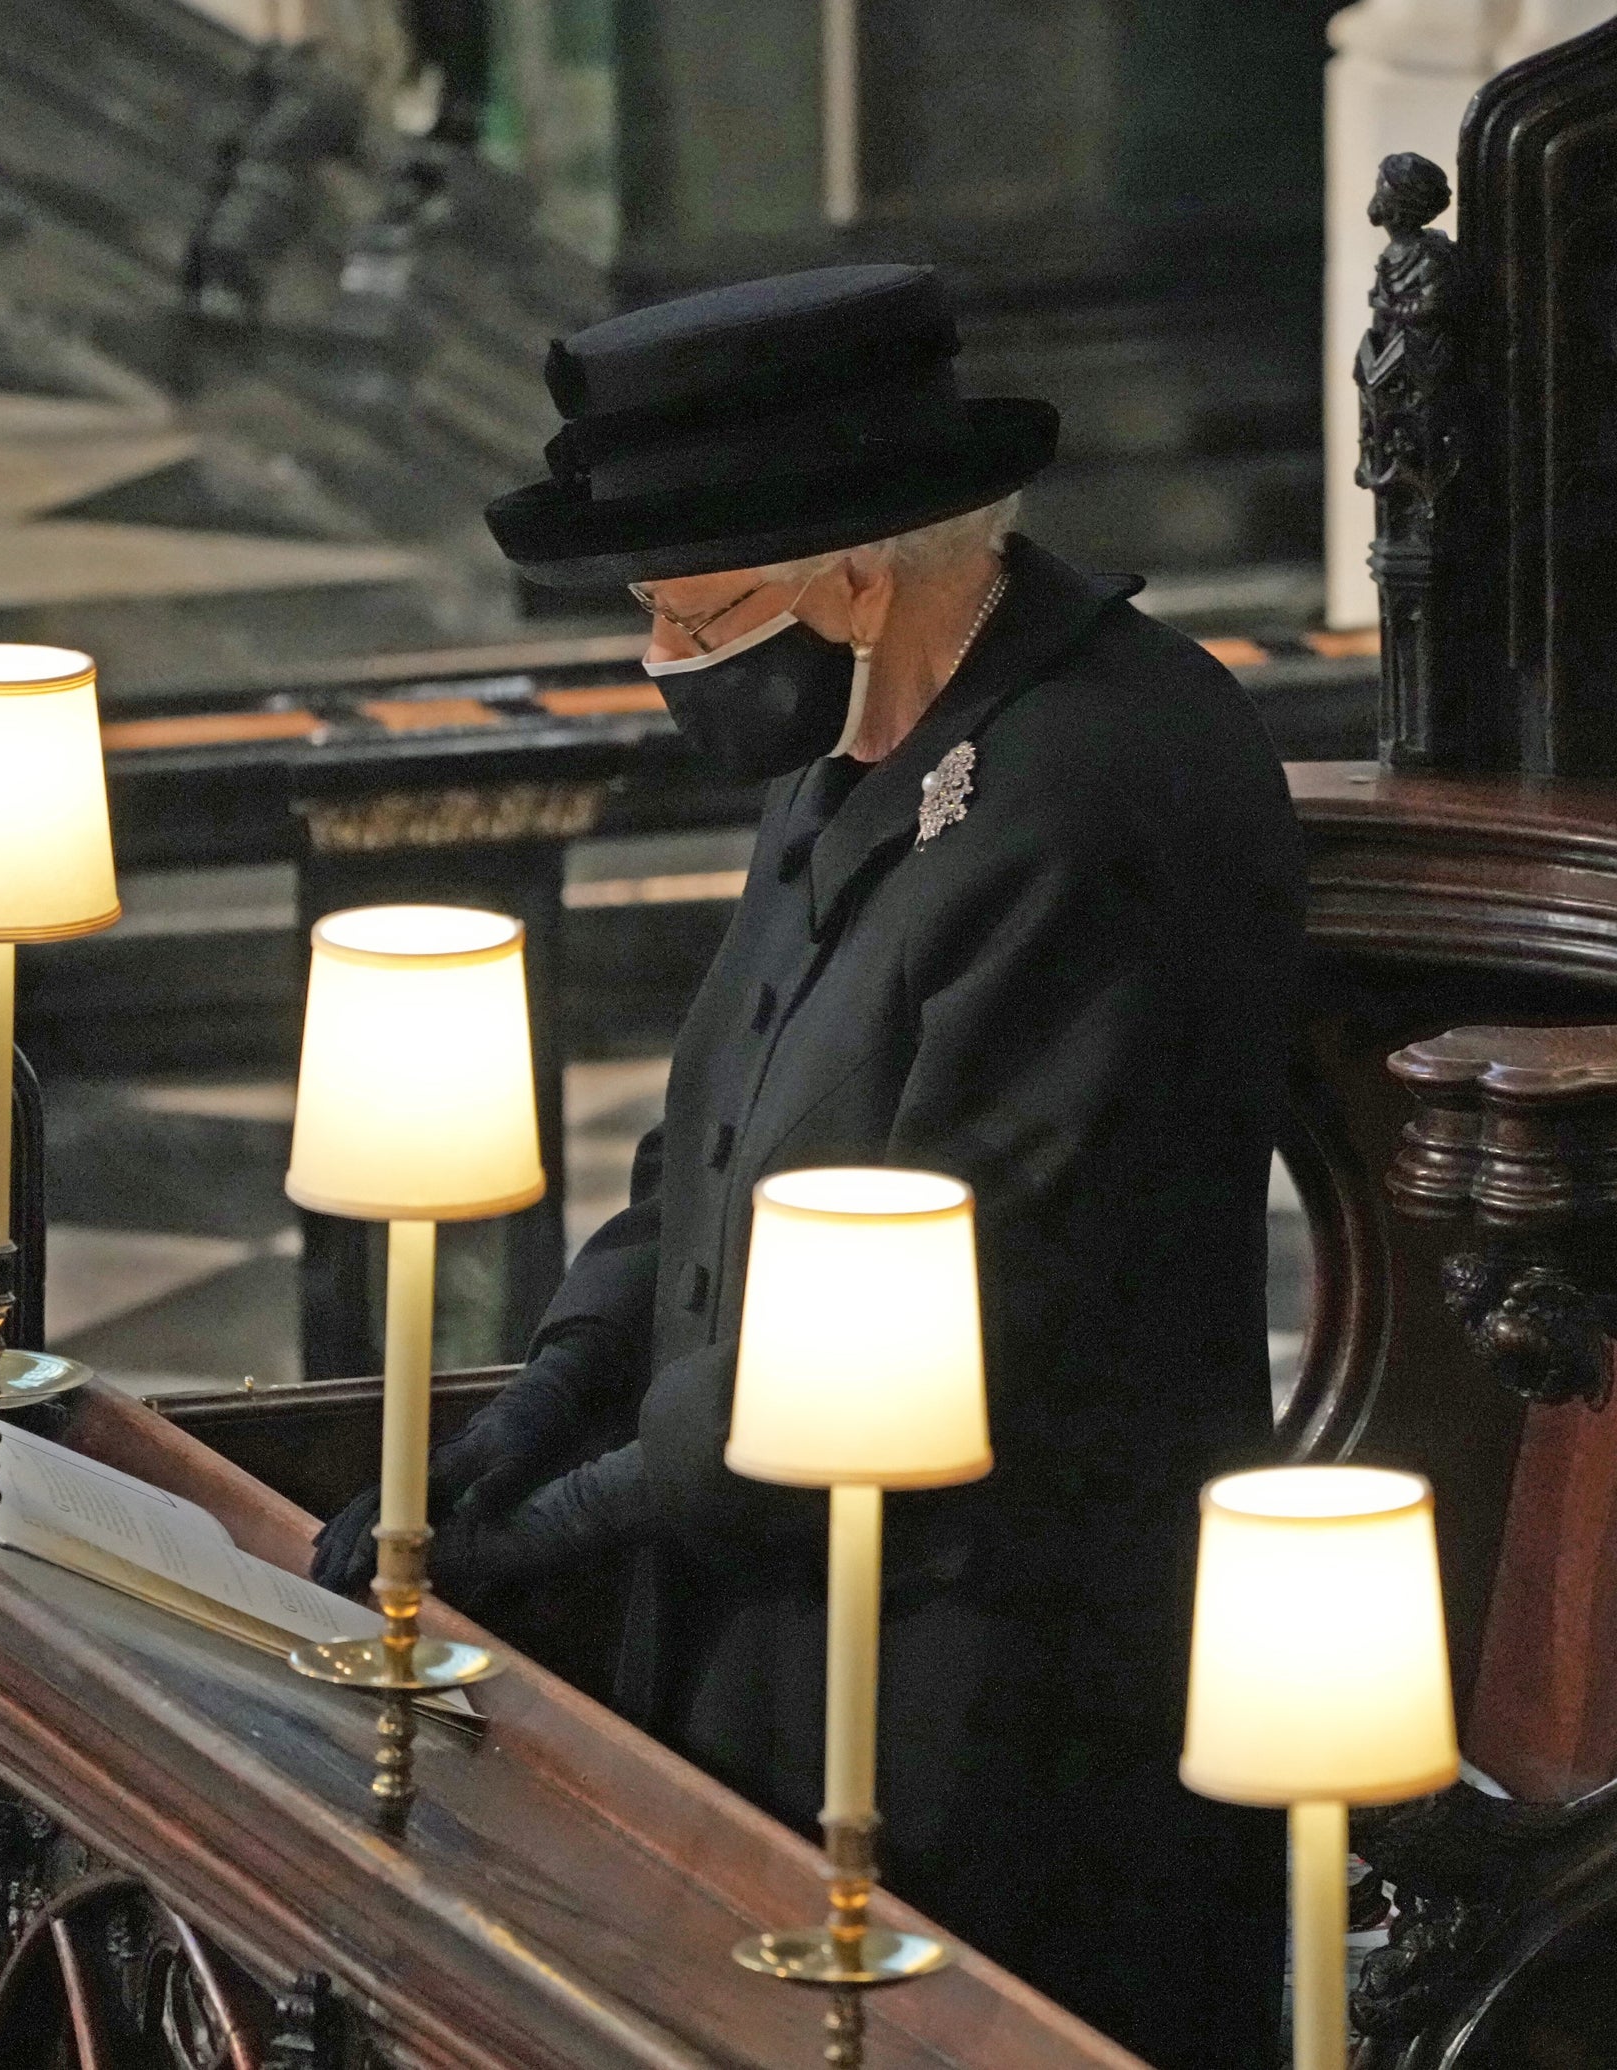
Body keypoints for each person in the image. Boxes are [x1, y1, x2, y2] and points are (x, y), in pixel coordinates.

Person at [312, 264, 1302, 2070]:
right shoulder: (869, 729)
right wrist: (542, 1399)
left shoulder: (1101, 790)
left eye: (690, 620)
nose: (659, 664)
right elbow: (704, 1137)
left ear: (853, 578)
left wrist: (567, 1525)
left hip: (988, 1708)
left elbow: (967, 1310)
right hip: (759, 1620)